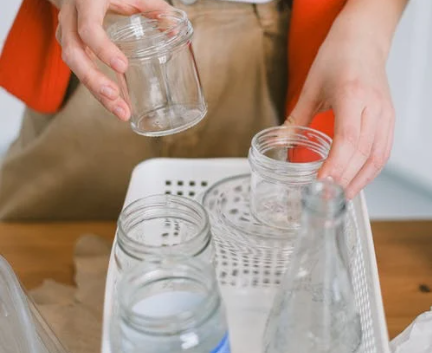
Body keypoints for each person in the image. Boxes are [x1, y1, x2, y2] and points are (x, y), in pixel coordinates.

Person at [0, 0, 407, 219]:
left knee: (259, 241)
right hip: (103, 39)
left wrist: (367, 31)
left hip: (276, 47)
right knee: (34, 259)